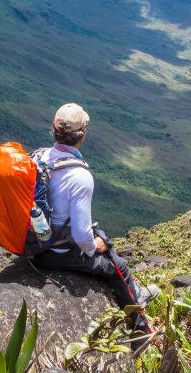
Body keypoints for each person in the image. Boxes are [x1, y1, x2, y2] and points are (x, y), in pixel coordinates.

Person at [31, 103, 154, 334]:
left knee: (103, 240)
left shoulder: (40, 156)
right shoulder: (79, 177)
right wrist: (93, 247)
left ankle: (135, 294)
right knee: (119, 266)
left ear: (54, 130)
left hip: (35, 243)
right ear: (82, 134)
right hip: (56, 253)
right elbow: (80, 236)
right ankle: (141, 330)